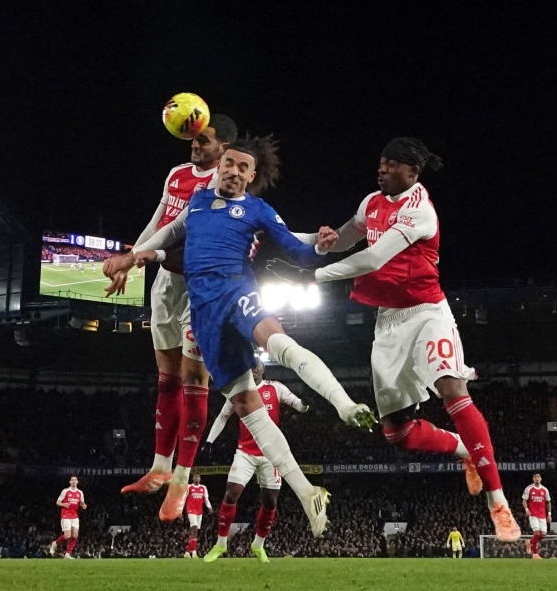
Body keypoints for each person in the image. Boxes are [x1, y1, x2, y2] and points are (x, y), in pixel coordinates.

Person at [269, 137, 521, 543]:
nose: (381, 170)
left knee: (453, 391)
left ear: (412, 172)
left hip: (426, 314)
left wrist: (310, 276)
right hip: (388, 323)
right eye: (380, 164)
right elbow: (347, 239)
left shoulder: (419, 209)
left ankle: (499, 504)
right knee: (396, 433)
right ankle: (463, 450)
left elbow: (371, 259)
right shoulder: (372, 203)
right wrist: (297, 243)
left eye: (390, 165)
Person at [123, 135, 374, 536]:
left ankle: (345, 405)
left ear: (252, 176)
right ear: (219, 166)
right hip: (204, 319)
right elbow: (167, 240)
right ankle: (307, 491)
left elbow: (297, 249)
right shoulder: (198, 203)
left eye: (243, 168)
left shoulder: (256, 209)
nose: (235, 172)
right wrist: (136, 257)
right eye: (230, 164)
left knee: (279, 343)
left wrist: (323, 248)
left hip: (237, 293)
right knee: (250, 412)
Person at [103, 116, 239, 519]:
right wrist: (133, 259)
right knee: (167, 378)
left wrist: (144, 255)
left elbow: (193, 239)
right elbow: (160, 219)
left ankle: (182, 478)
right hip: (166, 283)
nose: (193, 146)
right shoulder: (178, 174)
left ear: (224, 148)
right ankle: (160, 468)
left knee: (195, 379)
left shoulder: (226, 184)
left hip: (203, 289)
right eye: (193, 140)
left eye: (203, 141)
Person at [203, 359, 308, 563]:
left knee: (270, 502)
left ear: (262, 369)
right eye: (250, 366)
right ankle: (220, 544)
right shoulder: (238, 391)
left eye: (256, 366)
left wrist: (304, 404)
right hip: (245, 452)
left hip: (271, 455)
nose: (253, 369)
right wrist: (209, 441)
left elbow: (297, 404)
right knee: (231, 494)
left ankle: (258, 545)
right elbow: (223, 416)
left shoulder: (275, 388)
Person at [49, 476, 86, 559]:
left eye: (75, 480)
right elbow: (58, 502)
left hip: (75, 516)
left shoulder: (80, 492)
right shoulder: (65, 491)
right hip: (66, 515)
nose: (73, 481)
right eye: (72, 480)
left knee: (75, 536)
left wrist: (83, 506)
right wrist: (64, 504)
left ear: (77, 482)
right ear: (70, 482)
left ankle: (67, 554)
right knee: (67, 536)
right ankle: (55, 543)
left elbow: (81, 503)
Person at [183, 473, 212, 558]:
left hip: (199, 511)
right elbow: (184, 498)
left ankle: (188, 552)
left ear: (200, 479)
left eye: (198, 477)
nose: (197, 478)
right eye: (195, 476)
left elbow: (206, 499)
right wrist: (180, 510)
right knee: (194, 528)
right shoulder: (189, 487)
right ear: (192, 478)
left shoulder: (203, 488)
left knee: (195, 531)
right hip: (191, 511)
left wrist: (209, 507)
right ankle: (194, 552)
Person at [523, 473, 551, 559]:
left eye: (538, 477)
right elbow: (524, 500)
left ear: (541, 478)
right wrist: (527, 510)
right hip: (533, 514)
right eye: (535, 477)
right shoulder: (529, 489)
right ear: (533, 479)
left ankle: (529, 542)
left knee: (543, 535)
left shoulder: (545, 490)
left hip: (542, 515)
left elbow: (548, 502)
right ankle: (535, 555)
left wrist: (549, 514)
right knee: (536, 533)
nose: (537, 478)